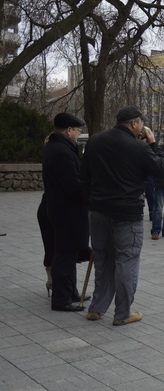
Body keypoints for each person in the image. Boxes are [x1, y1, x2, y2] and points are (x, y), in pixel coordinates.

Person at [80, 106, 164, 325]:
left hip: (98, 209)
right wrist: (153, 144)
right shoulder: (139, 146)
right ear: (135, 123)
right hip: (127, 212)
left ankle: (97, 307)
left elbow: (84, 177)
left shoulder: (95, 142)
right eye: (141, 124)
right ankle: (122, 313)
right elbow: (161, 169)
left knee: (102, 259)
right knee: (126, 260)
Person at [41, 112, 90, 311]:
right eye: (78, 131)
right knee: (64, 255)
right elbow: (72, 185)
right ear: (69, 130)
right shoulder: (61, 151)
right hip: (66, 211)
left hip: (63, 209)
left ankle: (72, 293)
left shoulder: (58, 147)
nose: (79, 135)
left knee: (70, 254)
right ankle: (61, 299)